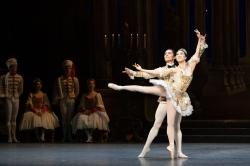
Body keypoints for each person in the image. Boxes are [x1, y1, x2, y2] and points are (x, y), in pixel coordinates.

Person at [108, 30, 207, 158]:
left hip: (177, 98)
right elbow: (150, 73)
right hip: (165, 95)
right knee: (156, 118)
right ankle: (121, 87)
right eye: (168, 53)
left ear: (175, 57)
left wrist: (200, 40)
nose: (171, 54)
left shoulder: (182, 67)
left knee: (176, 125)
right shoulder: (166, 70)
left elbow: (197, 54)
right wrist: (135, 72)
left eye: (172, 53)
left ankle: (178, 151)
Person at [71, 78, 110, 143]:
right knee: (81, 118)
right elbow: (81, 105)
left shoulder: (97, 95)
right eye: (89, 84)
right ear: (87, 85)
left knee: (94, 118)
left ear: (94, 85)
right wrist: (84, 110)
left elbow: (100, 106)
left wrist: (92, 110)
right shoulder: (84, 95)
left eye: (92, 84)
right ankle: (88, 135)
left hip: (95, 112)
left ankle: (91, 135)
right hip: (86, 112)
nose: (91, 85)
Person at [53, 60, 79, 142]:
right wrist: (57, 99)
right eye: (66, 68)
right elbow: (56, 90)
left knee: (69, 118)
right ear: (64, 69)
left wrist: (74, 97)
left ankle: (69, 135)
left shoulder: (74, 79)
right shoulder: (59, 79)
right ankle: (64, 136)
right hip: (63, 99)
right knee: (64, 118)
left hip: (71, 99)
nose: (68, 70)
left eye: (70, 68)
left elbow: (77, 91)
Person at [0, 58, 23, 143]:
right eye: (12, 67)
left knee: (14, 119)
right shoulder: (3, 77)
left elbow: (21, 89)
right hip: (8, 98)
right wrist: (5, 96)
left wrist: (17, 95)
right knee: (8, 119)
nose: (14, 68)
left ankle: (14, 137)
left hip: (16, 98)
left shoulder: (20, 77)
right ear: (9, 68)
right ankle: (9, 137)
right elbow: (1, 89)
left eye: (15, 67)